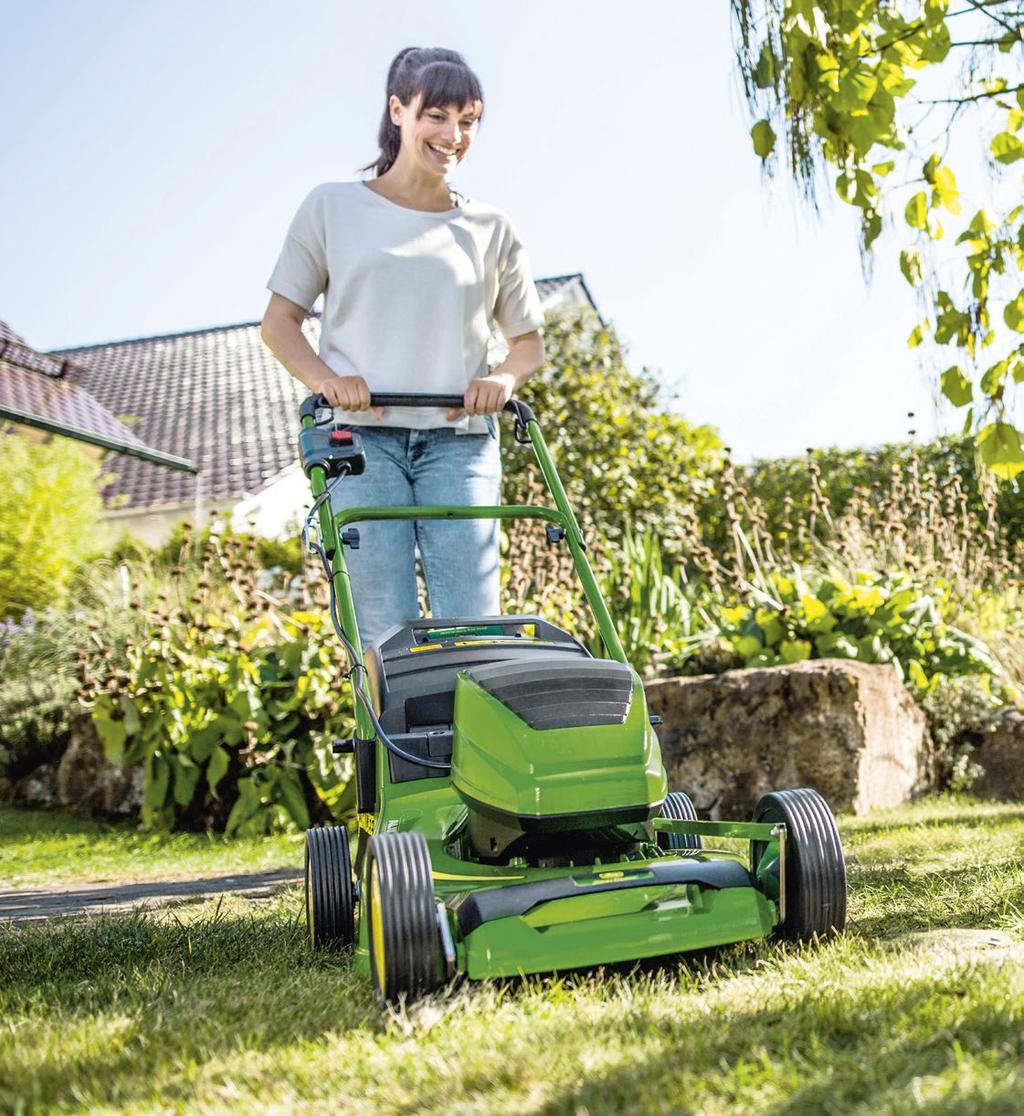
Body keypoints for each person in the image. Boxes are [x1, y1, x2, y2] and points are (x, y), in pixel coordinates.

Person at [261, 47, 546, 647]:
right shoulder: (333, 207)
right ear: (398, 110)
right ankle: (390, 745)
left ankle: (470, 742)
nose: (453, 135)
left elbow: (527, 345)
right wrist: (325, 381)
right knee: (383, 629)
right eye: (436, 116)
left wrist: (502, 380)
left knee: (475, 626)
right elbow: (280, 323)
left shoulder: (491, 229)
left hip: (460, 447)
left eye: (468, 121)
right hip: (360, 442)